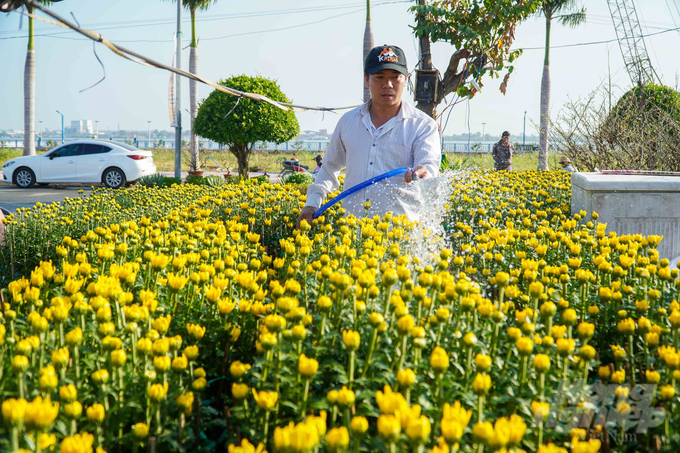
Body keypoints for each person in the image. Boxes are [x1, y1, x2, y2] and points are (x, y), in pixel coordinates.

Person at [296, 44, 441, 227]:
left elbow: (429, 168)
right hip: (352, 236)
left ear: (406, 80)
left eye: (395, 78)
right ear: (366, 79)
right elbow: (328, 169)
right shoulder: (348, 122)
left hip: (400, 236)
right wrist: (311, 204)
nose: (387, 84)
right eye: (379, 77)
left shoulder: (423, 125)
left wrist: (422, 173)